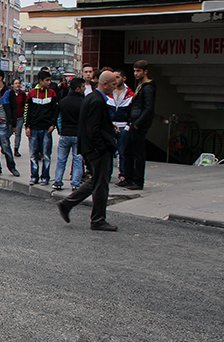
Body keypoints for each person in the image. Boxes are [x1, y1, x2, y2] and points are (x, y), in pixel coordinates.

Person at [56, 71, 119, 231]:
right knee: (101, 184)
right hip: (97, 150)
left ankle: (67, 203)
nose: (114, 87)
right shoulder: (96, 101)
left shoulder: (92, 98)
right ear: (105, 84)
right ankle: (97, 219)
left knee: (96, 180)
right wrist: (100, 147)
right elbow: (93, 128)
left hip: (91, 148)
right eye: (112, 84)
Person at [120, 60, 157, 191]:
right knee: (128, 150)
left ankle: (138, 181)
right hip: (135, 122)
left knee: (138, 153)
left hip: (139, 124)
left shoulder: (148, 88)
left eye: (138, 71)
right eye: (135, 71)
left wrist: (137, 123)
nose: (136, 73)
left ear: (145, 72)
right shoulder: (141, 86)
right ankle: (129, 178)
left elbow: (148, 108)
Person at [24, 69, 59, 186]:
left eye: (50, 80)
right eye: (47, 80)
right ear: (40, 81)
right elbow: (27, 110)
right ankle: (34, 176)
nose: (49, 82)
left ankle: (45, 177)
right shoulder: (32, 93)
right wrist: (27, 126)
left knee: (46, 155)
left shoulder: (52, 93)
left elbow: (55, 110)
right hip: (34, 128)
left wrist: (53, 124)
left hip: (46, 129)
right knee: (33, 154)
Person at [53, 77, 86, 191]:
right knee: (77, 159)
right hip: (78, 134)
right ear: (78, 88)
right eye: (83, 86)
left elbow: (58, 118)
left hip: (65, 133)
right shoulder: (83, 102)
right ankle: (75, 183)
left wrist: (60, 130)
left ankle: (58, 181)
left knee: (61, 159)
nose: (84, 88)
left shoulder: (63, 101)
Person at [107, 68, 134, 182]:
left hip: (123, 125)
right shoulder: (109, 92)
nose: (115, 80)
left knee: (122, 152)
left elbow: (133, 111)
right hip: (110, 125)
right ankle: (107, 174)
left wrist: (128, 126)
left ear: (124, 78)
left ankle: (123, 174)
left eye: (117, 77)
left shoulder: (130, 94)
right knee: (108, 152)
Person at [11, 78, 27, 156]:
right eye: (16, 83)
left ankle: (16, 149)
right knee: (7, 133)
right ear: (12, 85)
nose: (17, 85)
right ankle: (4, 147)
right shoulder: (10, 93)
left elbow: (25, 104)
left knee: (18, 134)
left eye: (18, 83)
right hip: (11, 118)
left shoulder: (22, 94)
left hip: (20, 117)